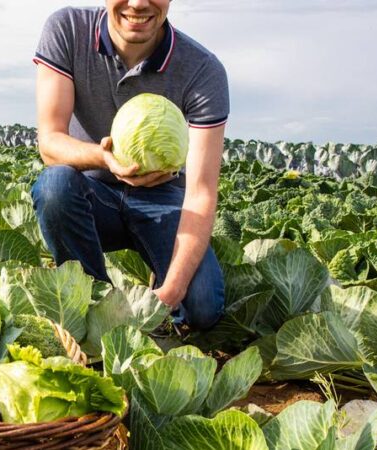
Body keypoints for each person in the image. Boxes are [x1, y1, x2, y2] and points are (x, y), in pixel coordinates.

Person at [30, 0, 228, 330]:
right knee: (55, 186)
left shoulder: (202, 69)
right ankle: (93, 305)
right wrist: (104, 158)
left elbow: (201, 194)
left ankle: (160, 280)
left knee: (203, 309)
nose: (137, 3)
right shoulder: (67, 29)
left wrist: (171, 293)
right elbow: (49, 142)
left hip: (163, 201)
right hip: (91, 195)